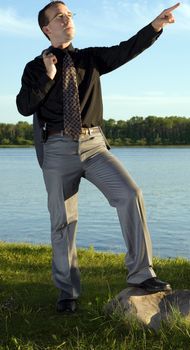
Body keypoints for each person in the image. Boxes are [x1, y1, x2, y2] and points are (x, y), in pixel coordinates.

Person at [16, 1, 180, 313]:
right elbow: (25, 106)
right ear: (46, 28)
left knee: (130, 195)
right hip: (57, 150)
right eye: (59, 17)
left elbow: (125, 50)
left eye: (69, 15)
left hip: (93, 146)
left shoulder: (90, 58)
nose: (67, 20)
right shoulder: (35, 68)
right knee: (63, 222)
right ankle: (67, 293)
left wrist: (155, 26)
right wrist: (49, 75)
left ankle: (142, 273)